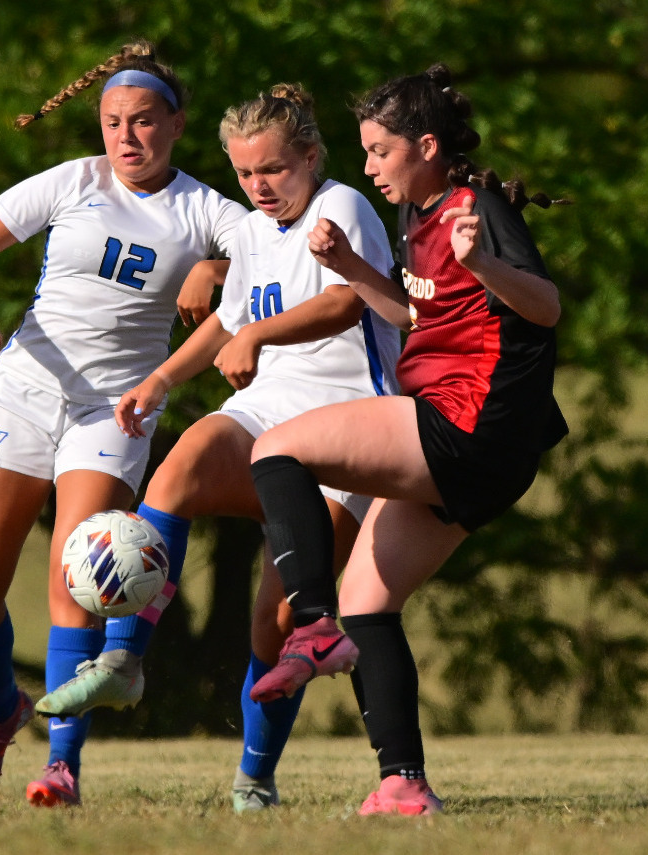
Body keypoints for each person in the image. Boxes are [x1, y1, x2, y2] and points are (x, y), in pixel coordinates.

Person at [34, 83, 402, 813]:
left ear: (309, 156)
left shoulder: (341, 205)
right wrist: (161, 378)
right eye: (243, 175)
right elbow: (226, 321)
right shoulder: (254, 232)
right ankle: (123, 658)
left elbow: (345, 301)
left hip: (350, 423)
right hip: (269, 407)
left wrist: (256, 336)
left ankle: (254, 778)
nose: (258, 187)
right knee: (180, 469)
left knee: (274, 619)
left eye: (272, 169)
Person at [248, 64, 567, 816]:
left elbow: (546, 307)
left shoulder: (473, 208)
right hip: (490, 453)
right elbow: (418, 320)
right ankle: (402, 782)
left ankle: (311, 625)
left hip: (464, 421)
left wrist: (484, 261)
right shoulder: (419, 214)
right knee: (370, 602)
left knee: (275, 450)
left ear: (425, 145)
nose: (365, 167)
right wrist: (352, 269)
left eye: (378, 150)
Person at [0, 41, 244, 808]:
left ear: (176, 125)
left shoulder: (206, 209)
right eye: (113, 121)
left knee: (78, 577)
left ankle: (61, 766)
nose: (126, 137)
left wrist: (216, 267)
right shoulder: (73, 179)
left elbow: (273, 252)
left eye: (143, 122)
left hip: (113, 408)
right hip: (21, 392)